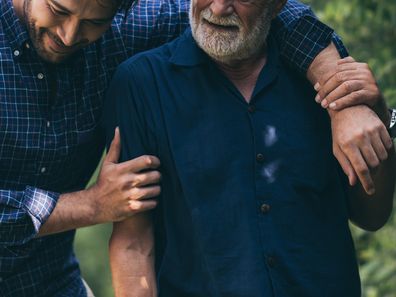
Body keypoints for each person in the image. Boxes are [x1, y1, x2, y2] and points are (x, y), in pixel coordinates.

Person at [0, 0, 389, 295]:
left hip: (52, 284)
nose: (69, 35)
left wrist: (346, 97)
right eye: (58, 9)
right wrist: (92, 204)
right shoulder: (144, 80)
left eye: (92, 22)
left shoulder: (141, 27)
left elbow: (281, 16)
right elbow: (134, 240)